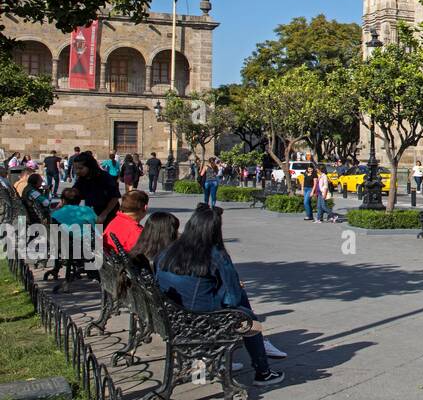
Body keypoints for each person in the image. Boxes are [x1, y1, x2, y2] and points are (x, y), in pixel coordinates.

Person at [153, 205, 285, 385]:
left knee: (237, 299)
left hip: (173, 316)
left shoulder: (169, 250)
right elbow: (233, 298)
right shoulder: (215, 254)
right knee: (250, 319)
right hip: (203, 318)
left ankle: (208, 365)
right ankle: (263, 372)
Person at [69, 150, 121, 224]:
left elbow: (115, 197)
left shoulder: (105, 177)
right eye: (75, 168)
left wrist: (104, 214)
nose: (77, 171)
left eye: (80, 168)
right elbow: (73, 193)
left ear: (89, 166)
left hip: (108, 215)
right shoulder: (82, 179)